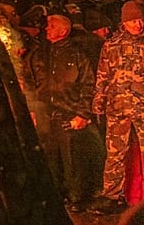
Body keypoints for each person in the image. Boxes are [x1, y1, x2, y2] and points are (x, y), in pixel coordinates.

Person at [91, 0, 144, 213]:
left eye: (140, 20)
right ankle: (112, 196)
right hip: (117, 108)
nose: (137, 25)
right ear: (124, 23)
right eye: (132, 21)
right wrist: (98, 103)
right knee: (115, 155)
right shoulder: (111, 46)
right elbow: (102, 77)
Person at [23, 13, 101, 210]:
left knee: (72, 160)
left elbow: (88, 85)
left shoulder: (77, 55)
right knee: (50, 158)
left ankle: (76, 197)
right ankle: (56, 195)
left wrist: (82, 114)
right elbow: (29, 82)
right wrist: (32, 109)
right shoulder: (39, 54)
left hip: (69, 113)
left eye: (51, 26)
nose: (46, 29)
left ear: (63, 31)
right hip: (45, 114)